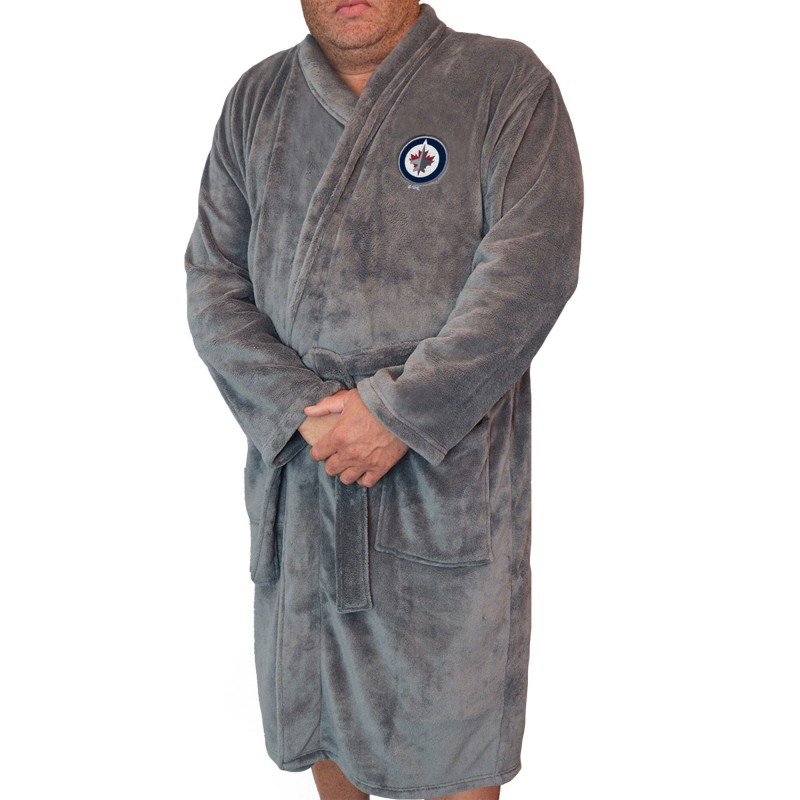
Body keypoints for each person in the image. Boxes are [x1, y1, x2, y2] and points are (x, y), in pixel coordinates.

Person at [184, 2, 583, 798]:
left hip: (444, 488)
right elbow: (213, 285)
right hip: (310, 478)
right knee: (326, 732)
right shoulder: (257, 100)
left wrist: (399, 413)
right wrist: (304, 413)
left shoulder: (503, 82)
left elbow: (529, 274)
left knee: (455, 743)